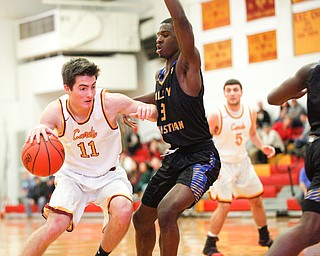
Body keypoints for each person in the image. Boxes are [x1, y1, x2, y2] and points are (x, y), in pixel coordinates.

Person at [19, 57, 158, 256]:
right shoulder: (54, 111)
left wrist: (148, 110)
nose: (90, 93)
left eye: (93, 86)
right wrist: (40, 128)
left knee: (124, 209)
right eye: (83, 88)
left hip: (108, 174)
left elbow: (153, 112)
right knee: (55, 225)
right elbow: (42, 134)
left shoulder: (109, 101)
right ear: (67, 88)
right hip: (73, 176)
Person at [130, 1, 221, 255]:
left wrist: (175, 14)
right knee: (141, 219)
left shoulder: (187, 64)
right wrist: (125, 104)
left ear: (179, 39)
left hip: (201, 156)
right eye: (157, 35)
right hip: (175, 156)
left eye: (165, 35)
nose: (158, 40)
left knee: (167, 211)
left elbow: (181, 19)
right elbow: (156, 97)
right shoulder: (161, 75)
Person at [203, 79, 275, 256]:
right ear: (224, 94)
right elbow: (204, 141)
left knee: (256, 200)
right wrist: (210, 165)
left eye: (235, 90)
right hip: (223, 165)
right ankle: (210, 244)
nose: (232, 93)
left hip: (243, 162)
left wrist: (262, 146)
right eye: (229, 90)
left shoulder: (250, 111)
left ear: (241, 92)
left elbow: (252, 133)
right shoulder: (216, 114)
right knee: (224, 205)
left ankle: (264, 237)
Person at [266, 61, 320, 256]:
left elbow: (273, 98)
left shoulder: (311, 69)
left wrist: (292, 93)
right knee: (311, 228)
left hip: (313, 147)